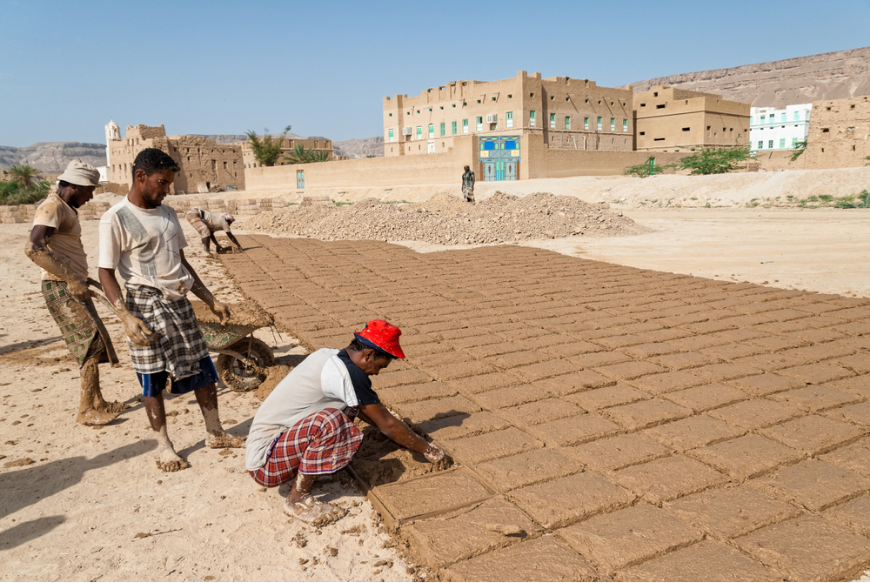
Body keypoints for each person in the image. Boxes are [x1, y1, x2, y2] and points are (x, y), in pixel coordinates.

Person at [98, 148, 244, 472]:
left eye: (169, 185)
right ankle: (164, 446)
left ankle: (215, 432)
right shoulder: (115, 218)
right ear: (140, 176)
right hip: (144, 306)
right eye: (162, 183)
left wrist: (210, 298)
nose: (167, 191)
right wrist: (124, 316)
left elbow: (183, 262)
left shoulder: (167, 214)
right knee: (152, 377)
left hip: (179, 303)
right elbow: (105, 272)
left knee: (202, 369)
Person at [245, 319, 448, 524]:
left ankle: (312, 467)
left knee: (350, 405)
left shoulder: (330, 355)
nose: (377, 372)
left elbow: (372, 414)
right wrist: (428, 449)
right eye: (380, 366)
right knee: (332, 420)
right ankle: (297, 500)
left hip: (277, 445)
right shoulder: (348, 374)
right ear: (369, 354)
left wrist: (392, 431)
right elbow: (388, 424)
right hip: (265, 463)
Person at [24, 160, 127, 425]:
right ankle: (85, 410)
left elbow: (62, 249)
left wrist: (82, 278)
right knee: (89, 345)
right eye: (88, 190)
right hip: (61, 287)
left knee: (96, 340)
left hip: (74, 284)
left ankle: (97, 401)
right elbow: (33, 248)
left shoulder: (66, 208)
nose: (91, 196)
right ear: (74, 186)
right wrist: (70, 278)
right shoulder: (52, 207)